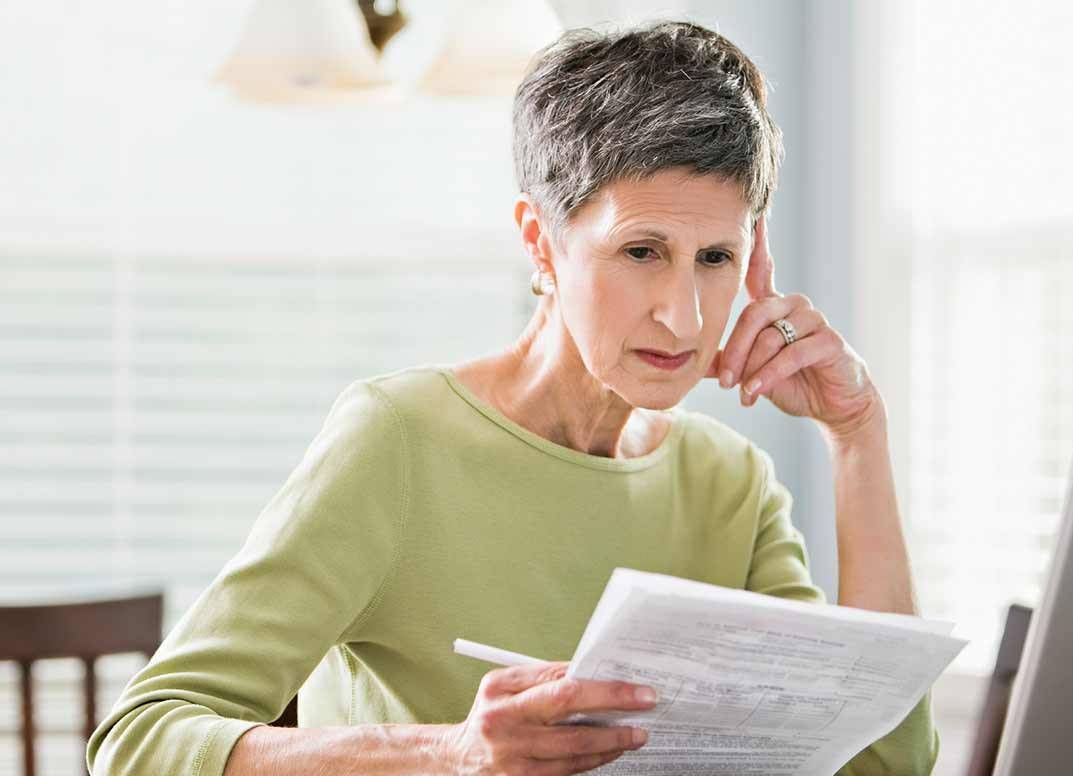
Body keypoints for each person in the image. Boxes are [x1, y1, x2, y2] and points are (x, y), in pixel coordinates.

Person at [87, 20, 937, 776]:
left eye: (715, 258)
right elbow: (139, 742)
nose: (683, 315)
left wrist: (858, 436)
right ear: (541, 242)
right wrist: (451, 752)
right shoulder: (400, 441)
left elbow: (887, 762)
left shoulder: (730, 484)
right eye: (641, 252)